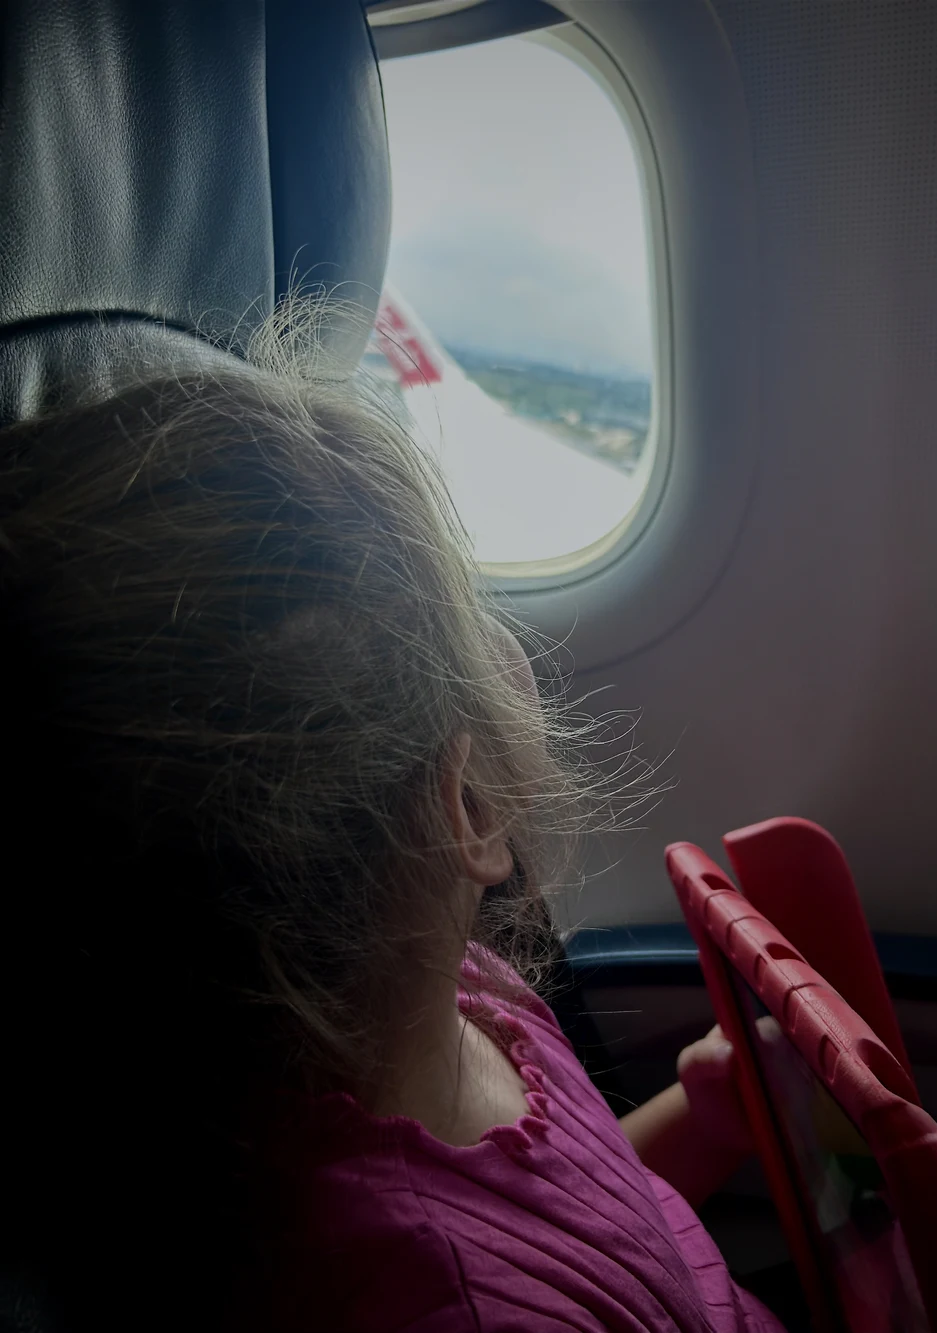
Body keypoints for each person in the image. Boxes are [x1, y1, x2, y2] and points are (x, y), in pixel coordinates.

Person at [0, 323, 786, 1333]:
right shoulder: (433, 1297)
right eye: (468, 610)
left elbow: (572, 1239)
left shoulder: (458, 998)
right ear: (469, 810)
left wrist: (705, 1116)